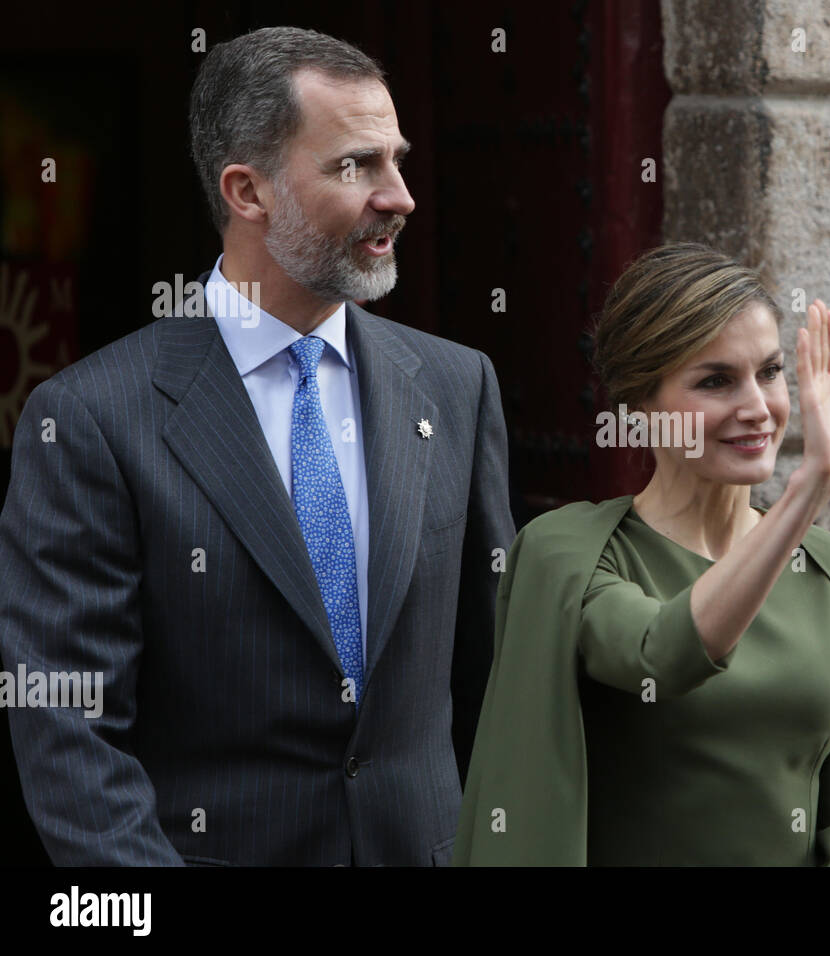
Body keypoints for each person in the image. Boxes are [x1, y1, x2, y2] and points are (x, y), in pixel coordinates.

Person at [0, 26, 514, 866]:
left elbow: (497, 677)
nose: (401, 195)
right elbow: (69, 731)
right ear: (248, 191)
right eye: (359, 165)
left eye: (398, 159)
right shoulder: (90, 420)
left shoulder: (459, 388)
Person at [454, 242, 830, 865]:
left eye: (770, 372)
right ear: (641, 408)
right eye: (716, 381)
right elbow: (660, 655)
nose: (757, 408)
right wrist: (810, 490)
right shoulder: (569, 554)